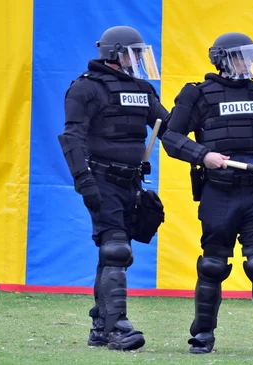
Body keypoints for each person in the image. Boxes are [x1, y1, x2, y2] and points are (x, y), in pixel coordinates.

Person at [161, 32, 253, 357]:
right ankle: (202, 337)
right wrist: (202, 155)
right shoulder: (198, 95)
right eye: (242, 57)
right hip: (218, 193)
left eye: (251, 57)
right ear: (223, 59)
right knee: (212, 266)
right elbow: (171, 137)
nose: (248, 63)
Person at [57, 25, 168, 351]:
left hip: (131, 182)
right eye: (134, 53)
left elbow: (168, 127)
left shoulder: (142, 88)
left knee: (112, 255)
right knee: (116, 249)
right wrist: (84, 180)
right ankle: (119, 328)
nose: (139, 59)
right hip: (101, 179)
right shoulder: (85, 88)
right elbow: (73, 137)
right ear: (115, 53)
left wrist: (206, 145)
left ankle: (100, 327)